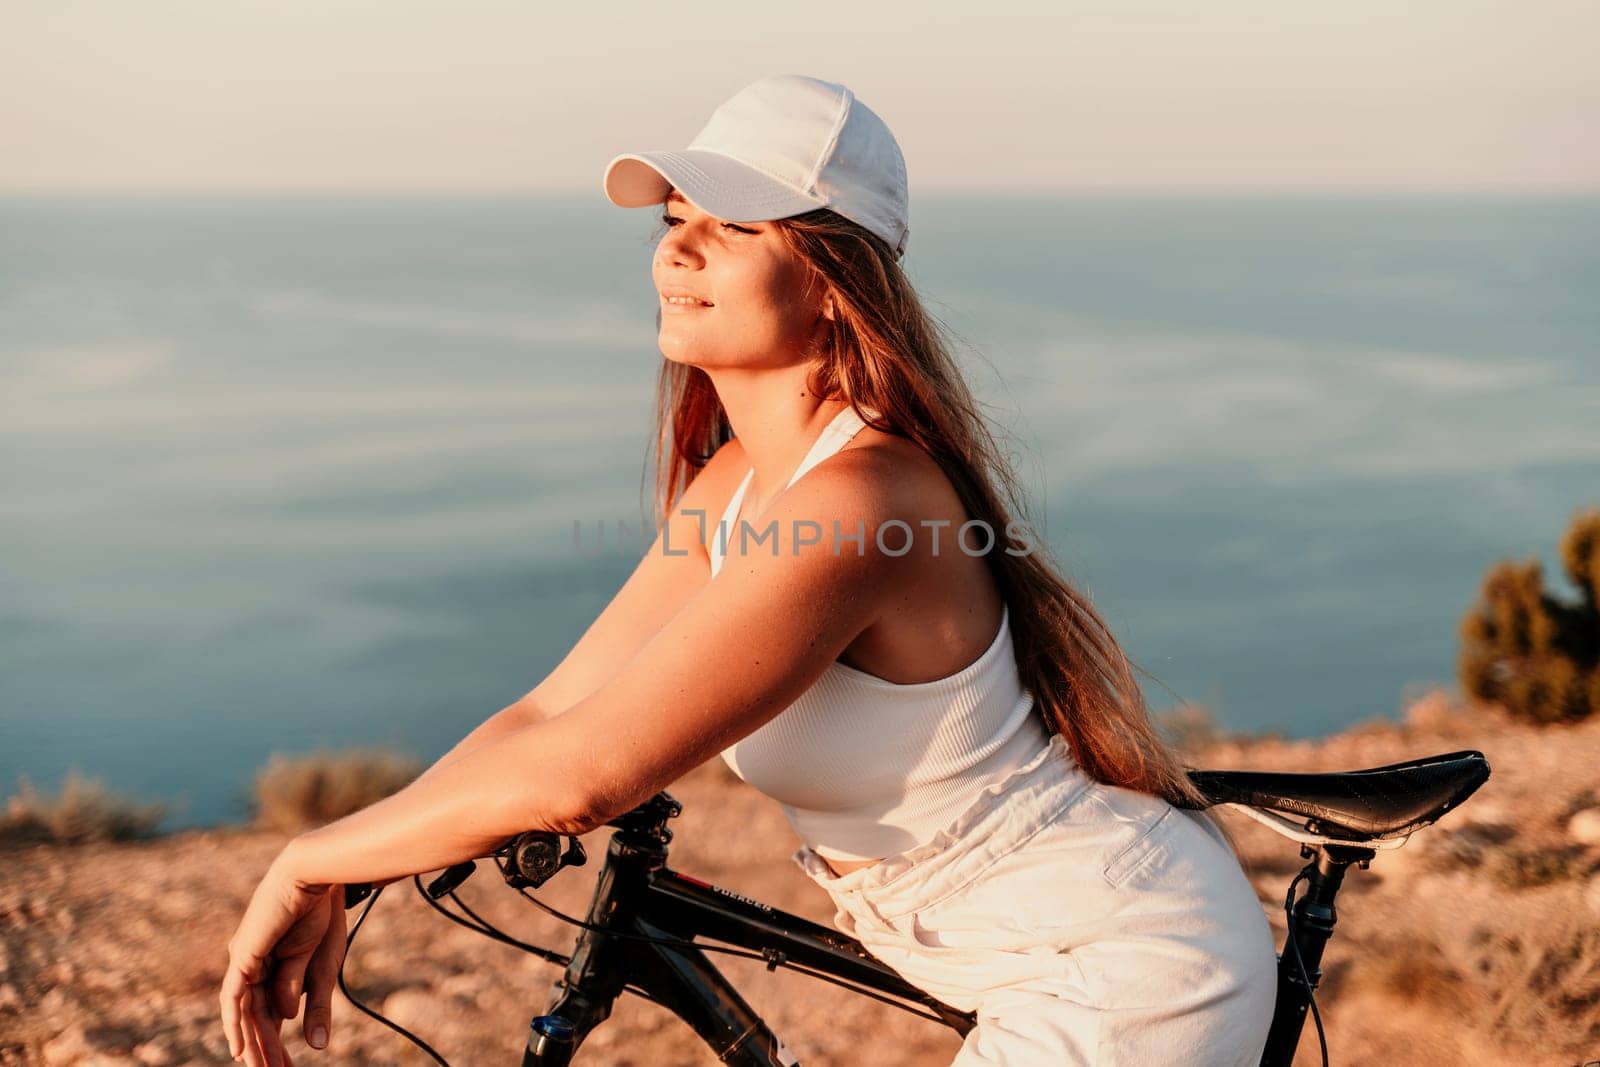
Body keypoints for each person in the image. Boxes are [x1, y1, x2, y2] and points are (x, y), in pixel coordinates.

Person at [219, 74, 1278, 1066]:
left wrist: (309, 857)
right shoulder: (734, 486)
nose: (678, 251)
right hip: (1001, 942)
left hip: (1117, 964)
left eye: (730, 226)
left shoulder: (862, 500)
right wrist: (357, 865)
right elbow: (550, 714)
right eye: (673, 218)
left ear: (831, 280)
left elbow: (580, 777)